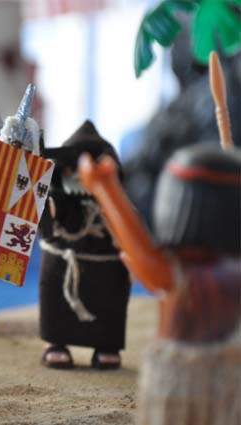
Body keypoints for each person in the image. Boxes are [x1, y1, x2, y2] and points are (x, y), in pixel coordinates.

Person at [79, 143, 240, 424]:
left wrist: (105, 188)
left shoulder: (179, 275)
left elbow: (142, 255)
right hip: (226, 382)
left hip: (183, 383)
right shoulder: (230, 272)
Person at [38, 121, 131, 369]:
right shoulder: (59, 195)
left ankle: (107, 345)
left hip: (106, 261)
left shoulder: (115, 199)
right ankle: (56, 342)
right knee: (55, 291)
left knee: (109, 298)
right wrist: (43, 203)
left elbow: (127, 225)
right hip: (64, 257)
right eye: (73, 166)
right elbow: (50, 223)